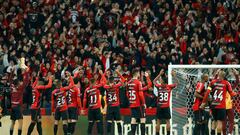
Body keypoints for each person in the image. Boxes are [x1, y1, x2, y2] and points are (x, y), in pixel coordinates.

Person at [200, 70, 237, 135]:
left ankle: (212, 133)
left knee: (214, 121)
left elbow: (207, 93)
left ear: (218, 75)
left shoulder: (212, 82)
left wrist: (203, 103)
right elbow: (231, 93)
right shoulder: (226, 83)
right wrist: (235, 93)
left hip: (213, 105)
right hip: (221, 105)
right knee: (219, 122)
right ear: (224, 76)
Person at [126, 68, 152, 135]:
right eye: (139, 73)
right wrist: (143, 103)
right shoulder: (138, 82)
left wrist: (131, 101)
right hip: (139, 104)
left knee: (133, 119)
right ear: (137, 73)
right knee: (142, 119)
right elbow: (140, 94)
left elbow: (127, 93)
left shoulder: (128, 82)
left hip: (132, 103)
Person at [153, 69, 178, 135]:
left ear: (163, 81)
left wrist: (159, 74)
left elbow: (154, 81)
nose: (160, 80)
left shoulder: (159, 87)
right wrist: (174, 76)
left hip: (159, 106)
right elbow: (178, 83)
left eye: (161, 79)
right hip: (166, 107)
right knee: (168, 122)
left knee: (158, 122)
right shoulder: (169, 87)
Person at [102, 69, 125, 135]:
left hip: (110, 106)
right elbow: (123, 80)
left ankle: (108, 133)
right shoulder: (116, 86)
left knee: (109, 121)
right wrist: (118, 72)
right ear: (114, 81)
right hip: (116, 106)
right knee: (118, 121)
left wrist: (103, 74)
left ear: (109, 81)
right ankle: (120, 133)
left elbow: (102, 82)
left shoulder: (106, 86)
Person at [81, 71, 104, 135]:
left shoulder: (87, 90)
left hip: (91, 109)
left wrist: (83, 108)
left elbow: (84, 100)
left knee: (90, 123)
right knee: (99, 123)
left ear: (89, 83)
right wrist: (102, 74)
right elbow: (103, 83)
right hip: (97, 108)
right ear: (94, 83)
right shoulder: (96, 87)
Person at [10, 68, 30, 135]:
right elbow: (26, 81)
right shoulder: (20, 88)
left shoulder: (12, 87)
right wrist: (26, 72)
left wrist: (12, 72)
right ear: (18, 83)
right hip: (18, 107)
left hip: (12, 106)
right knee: (20, 122)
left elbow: (10, 80)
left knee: (12, 122)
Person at [222, 69, 239, 135]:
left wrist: (217, 74)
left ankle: (226, 134)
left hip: (223, 107)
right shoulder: (230, 87)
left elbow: (237, 82)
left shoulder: (219, 87)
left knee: (224, 122)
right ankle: (229, 133)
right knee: (231, 121)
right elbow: (237, 82)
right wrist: (236, 74)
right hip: (228, 106)